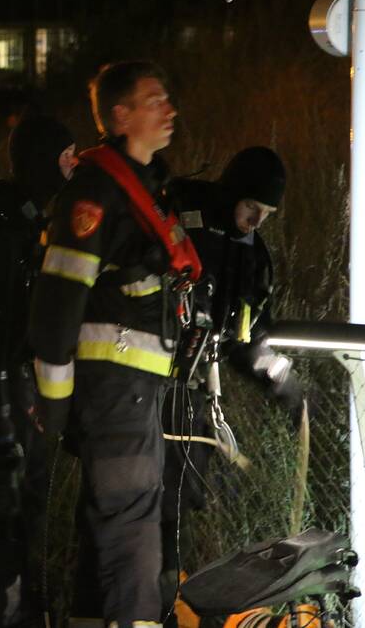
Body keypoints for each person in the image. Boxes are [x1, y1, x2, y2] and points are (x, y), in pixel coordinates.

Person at [27, 61, 200, 628]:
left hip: (133, 387)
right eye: (155, 100)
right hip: (116, 385)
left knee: (109, 518)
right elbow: (58, 302)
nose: (169, 110)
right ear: (121, 116)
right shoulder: (98, 191)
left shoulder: (144, 188)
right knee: (131, 525)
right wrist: (54, 401)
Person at [161, 146, 302, 621]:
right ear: (233, 194)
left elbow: (248, 338)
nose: (257, 221)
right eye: (252, 209)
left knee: (177, 512)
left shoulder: (253, 258)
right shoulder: (183, 215)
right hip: (148, 386)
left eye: (266, 215)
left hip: (195, 396)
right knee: (148, 513)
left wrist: (285, 386)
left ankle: (169, 605)